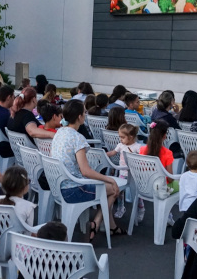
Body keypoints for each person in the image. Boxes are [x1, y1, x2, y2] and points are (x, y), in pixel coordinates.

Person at [51, 100, 125, 241]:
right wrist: (109, 179)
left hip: (58, 185)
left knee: (107, 188)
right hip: (73, 189)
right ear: (80, 117)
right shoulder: (78, 138)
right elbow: (85, 171)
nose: (85, 114)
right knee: (114, 189)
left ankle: (111, 226)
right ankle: (96, 224)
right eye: (84, 112)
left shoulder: (59, 132)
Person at [139, 121, 179, 225]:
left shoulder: (142, 150)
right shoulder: (167, 153)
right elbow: (170, 179)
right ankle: (169, 214)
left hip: (144, 187)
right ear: (165, 136)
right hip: (161, 189)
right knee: (181, 184)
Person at [106, 124, 142, 219]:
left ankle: (140, 208)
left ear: (131, 137)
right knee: (119, 192)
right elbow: (113, 152)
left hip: (134, 174)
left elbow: (142, 159)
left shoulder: (137, 147)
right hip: (122, 173)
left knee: (137, 192)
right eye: (120, 137)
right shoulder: (120, 145)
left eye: (122, 137)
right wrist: (104, 154)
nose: (120, 139)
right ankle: (121, 208)